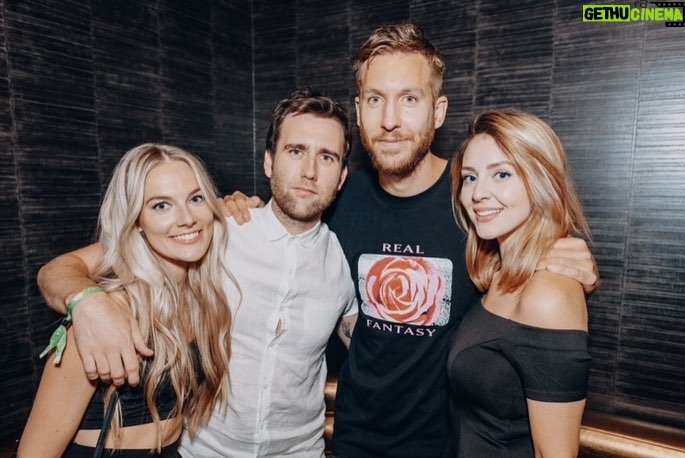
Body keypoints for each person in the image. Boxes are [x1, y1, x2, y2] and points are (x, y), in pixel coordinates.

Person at [223, 24, 598, 458]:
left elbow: (528, 272)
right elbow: (280, 217)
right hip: (352, 443)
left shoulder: (473, 204)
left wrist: (566, 261)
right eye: (376, 99)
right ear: (359, 110)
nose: (390, 120)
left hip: (442, 446)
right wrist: (222, 208)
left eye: (409, 99)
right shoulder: (339, 198)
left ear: (438, 112)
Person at [35, 88, 358, 457]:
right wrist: (88, 302)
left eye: (327, 157)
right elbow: (59, 269)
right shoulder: (211, 231)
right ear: (269, 161)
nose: (310, 171)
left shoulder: (339, 263)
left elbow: (373, 346)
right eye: (295, 151)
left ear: (342, 176)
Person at [18, 144, 232, 457]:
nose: (187, 218)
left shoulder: (201, 302)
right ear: (136, 222)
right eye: (161, 205)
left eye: (196, 198)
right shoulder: (102, 318)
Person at [448, 110, 591, 456]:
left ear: (541, 180)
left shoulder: (549, 294)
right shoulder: (496, 274)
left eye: (501, 174)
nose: (479, 193)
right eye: (470, 178)